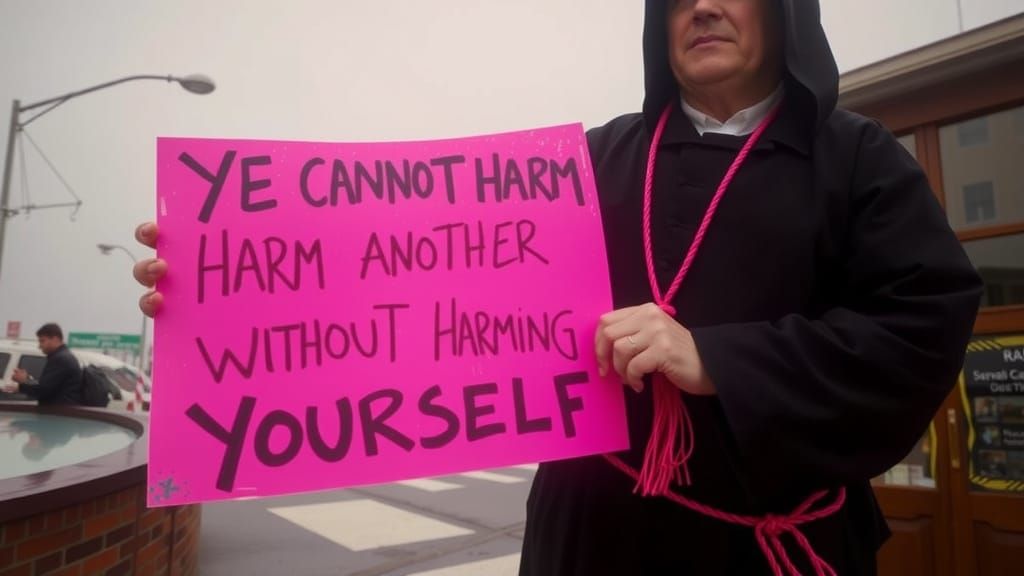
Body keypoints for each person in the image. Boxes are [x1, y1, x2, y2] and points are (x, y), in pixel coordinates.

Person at [132, 1, 983, 573]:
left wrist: (719, 358)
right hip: (590, 543)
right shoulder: (582, 162)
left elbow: (922, 324)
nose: (703, 6)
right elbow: (405, 272)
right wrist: (212, 279)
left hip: (772, 549)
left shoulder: (858, 158)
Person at [2, 323, 83, 406]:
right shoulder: (63, 356)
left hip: (59, 414)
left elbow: (43, 391)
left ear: (55, 339)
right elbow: (49, 386)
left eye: (42, 341)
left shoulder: (61, 359)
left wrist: (23, 382)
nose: (39, 346)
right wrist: (27, 380)